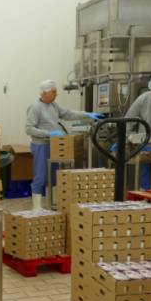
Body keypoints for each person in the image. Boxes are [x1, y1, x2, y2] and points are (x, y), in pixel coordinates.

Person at [26, 80, 103, 210]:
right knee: (41, 176)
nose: (56, 94)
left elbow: (67, 113)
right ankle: (37, 208)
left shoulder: (53, 105)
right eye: (53, 92)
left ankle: (54, 205)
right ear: (44, 93)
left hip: (55, 144)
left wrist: (86, 114)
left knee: (55, 175)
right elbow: (29, 129)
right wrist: (49, 133)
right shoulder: (35, 107)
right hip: (41, 145)